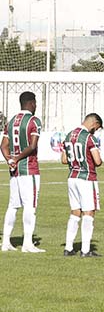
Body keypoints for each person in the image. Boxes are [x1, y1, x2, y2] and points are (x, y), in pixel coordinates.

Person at [0, 91, 45, 253]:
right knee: (30, 206)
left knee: (12, 206)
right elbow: (32, 146)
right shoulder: (34, 121)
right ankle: (27, 243)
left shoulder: (11, 121)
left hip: (14, 171)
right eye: (35, 103)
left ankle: (6, 242)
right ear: (31, 103)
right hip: (29, 168)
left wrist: (10, 160)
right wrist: (18, 158)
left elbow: (3, 145)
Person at [62, 113, 103, 257]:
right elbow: (97, 161)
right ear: (94, 123)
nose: (95, 131)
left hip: (72, 177)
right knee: (89, 212)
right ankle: (85, 250)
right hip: (86, 177)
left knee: (75, 212)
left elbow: (63, 159)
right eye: (97, 128)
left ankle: (68, 247)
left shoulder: (69, 136)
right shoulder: (89, 138)